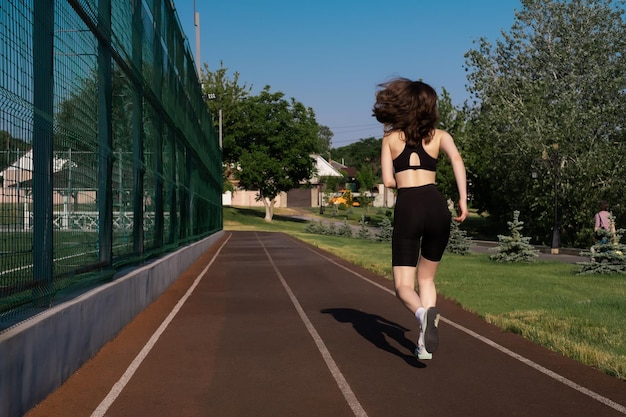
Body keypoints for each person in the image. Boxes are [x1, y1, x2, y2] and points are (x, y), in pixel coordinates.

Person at [372, 78, 468, 360]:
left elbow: (388, 181)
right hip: (437, 206)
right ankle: (424, 346)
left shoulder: (390, 139)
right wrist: (462, 200)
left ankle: (422, 315)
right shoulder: (441, 136)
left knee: (403, 285)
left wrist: (400, 178)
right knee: (426, 278)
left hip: (409, 206)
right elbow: (457, 161)